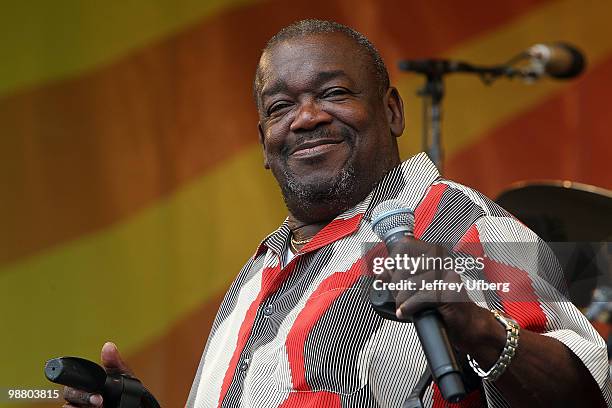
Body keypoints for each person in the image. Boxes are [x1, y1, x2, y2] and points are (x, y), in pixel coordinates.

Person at [62, 19, 610, 408]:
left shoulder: (456, 225)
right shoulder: (259, 273)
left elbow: (588, 392)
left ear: (392, 111)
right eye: (280, 107)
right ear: (263, 142)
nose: (305, 118)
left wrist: (483, 331)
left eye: (334, 93)